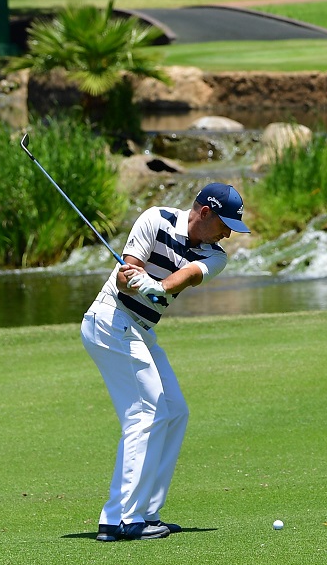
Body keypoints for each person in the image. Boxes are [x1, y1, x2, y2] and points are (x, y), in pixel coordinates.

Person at [81, 182, 247, 542]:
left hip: (140, 330)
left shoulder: (216, 256)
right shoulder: (155, 219)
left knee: (174, 411)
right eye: (225, 224)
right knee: (147, 412)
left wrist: (157, 287)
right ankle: (120, 518)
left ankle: (146, 512)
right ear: (206, 212)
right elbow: (123, 282)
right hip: (110, 319)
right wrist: (132, 279)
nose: (228, 234)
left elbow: (184, 278)